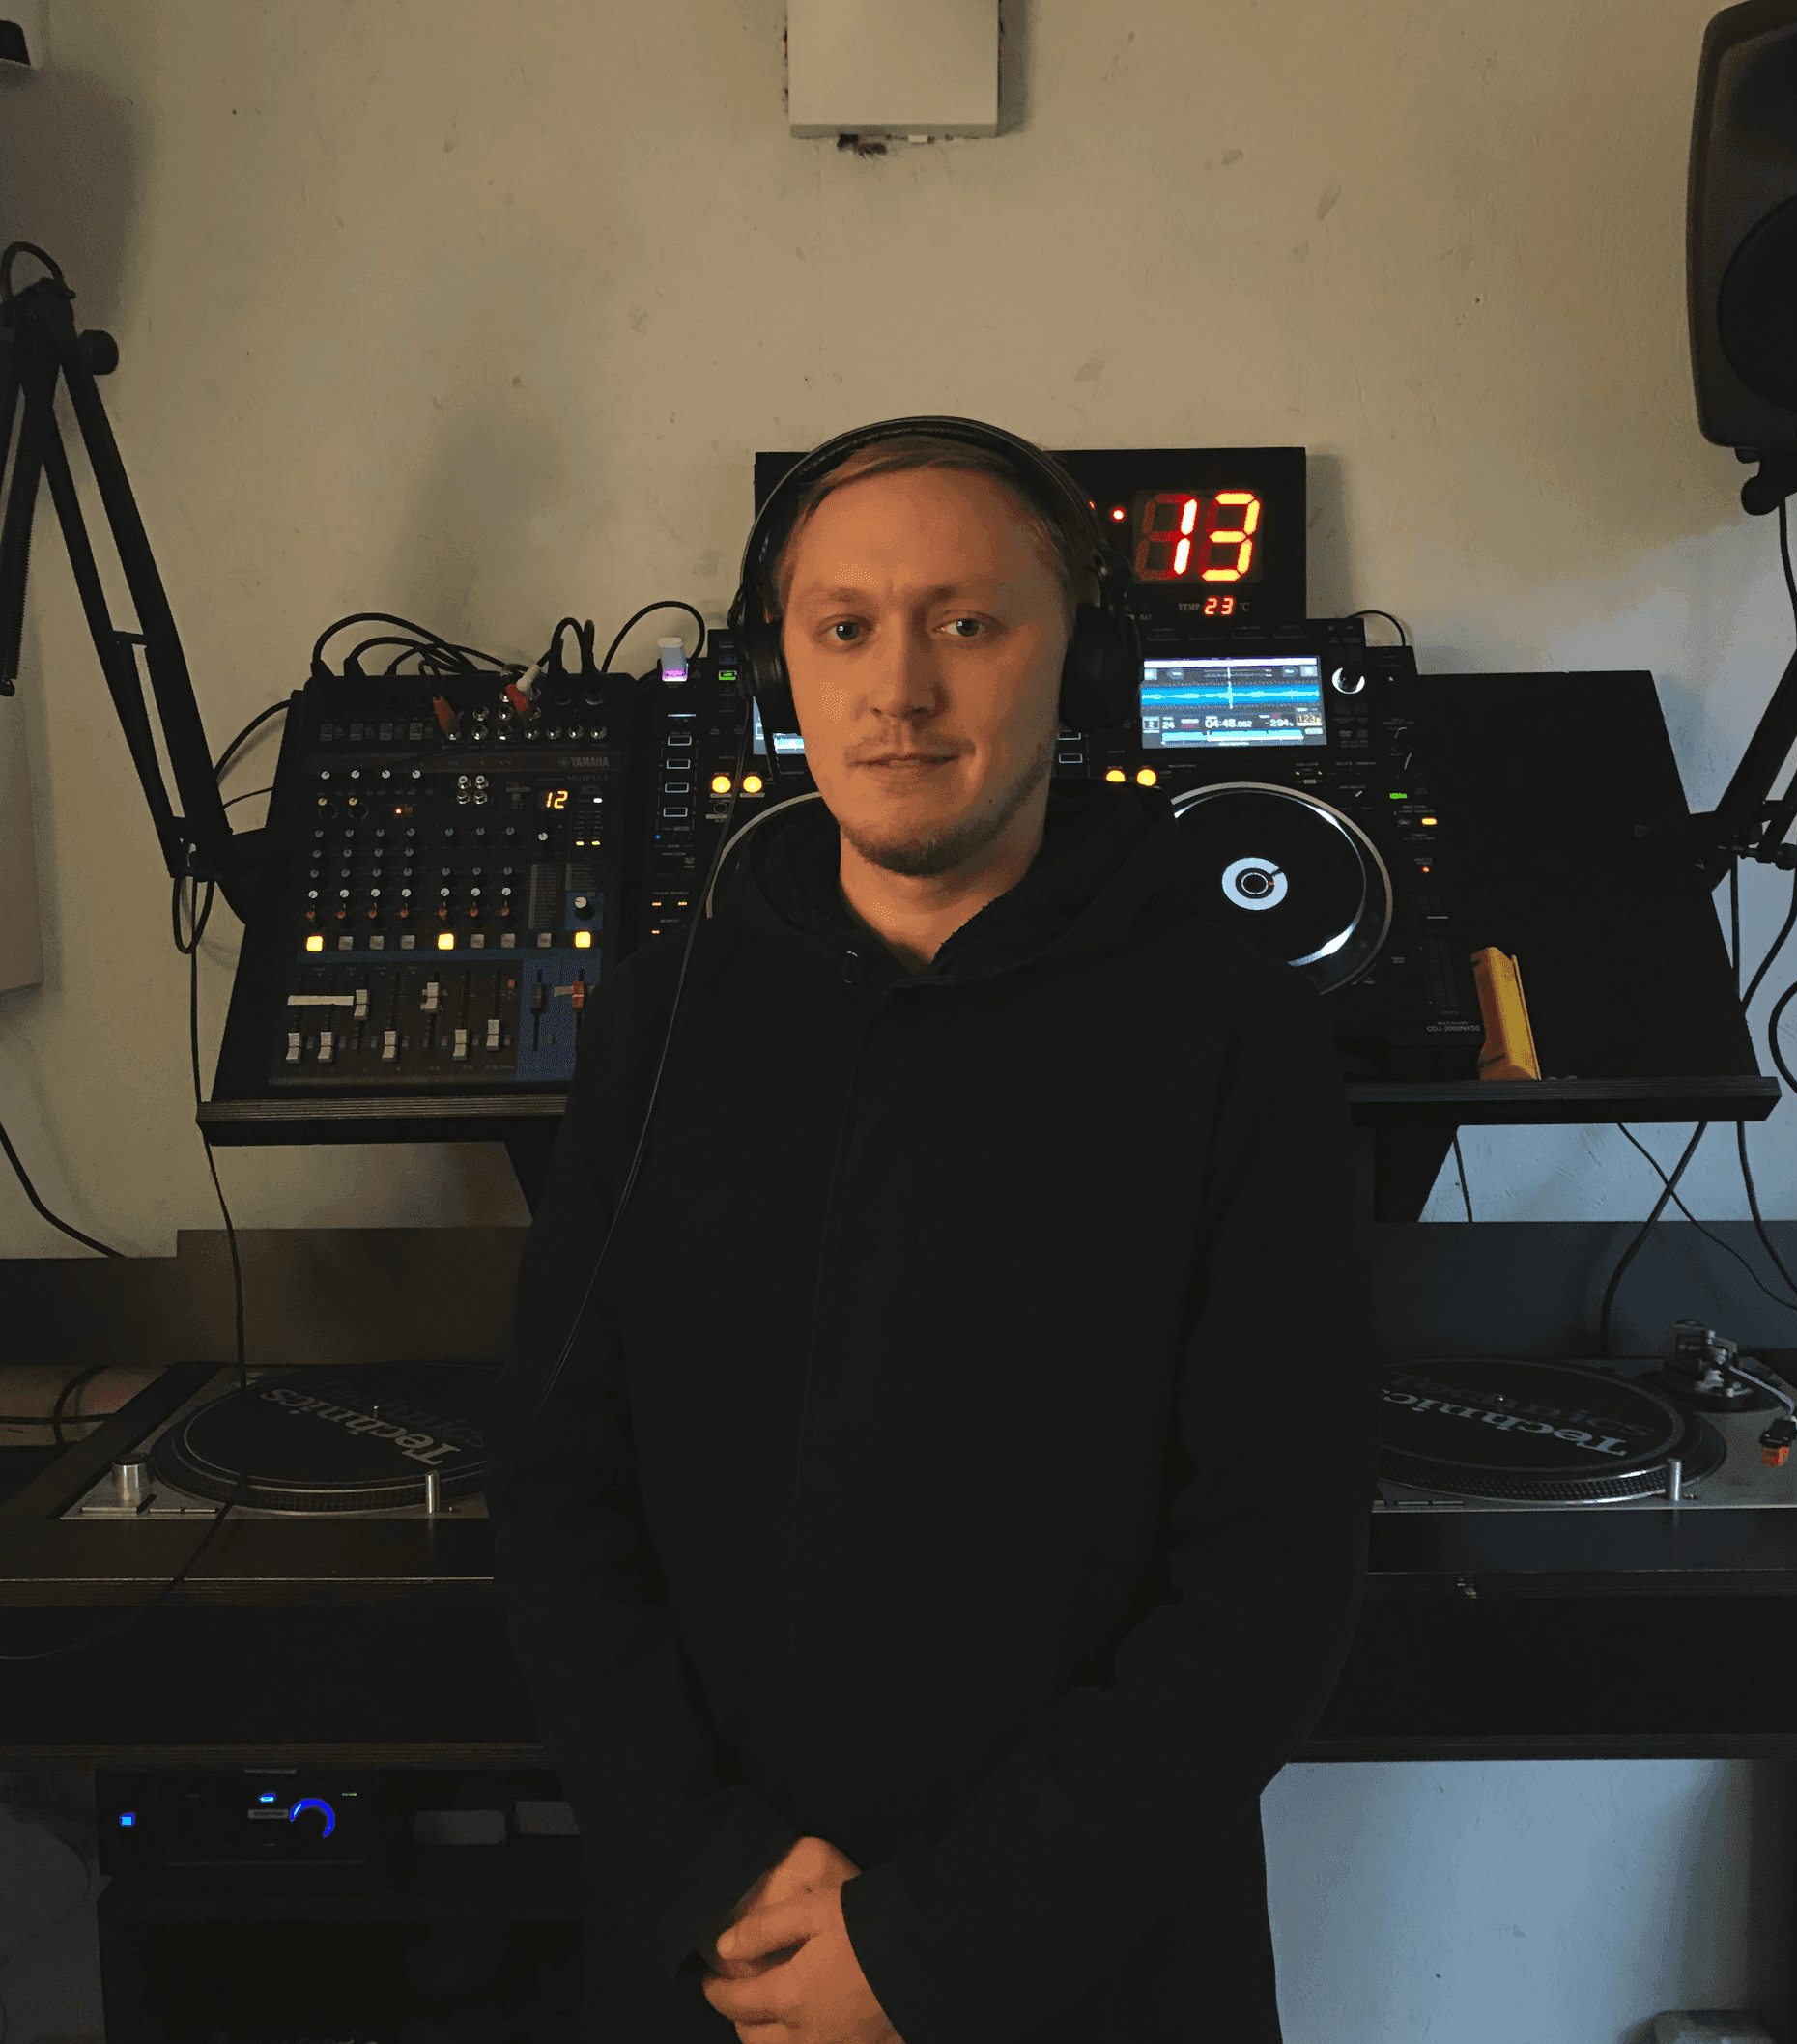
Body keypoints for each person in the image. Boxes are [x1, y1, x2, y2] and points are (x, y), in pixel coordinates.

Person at [483, 418, 1380, 2044]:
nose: (898, 690)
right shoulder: (660, 1026)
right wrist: (718, 1880)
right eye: (845, 628)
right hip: (729, 1962)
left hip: (1094, 1970)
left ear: (1079, 664)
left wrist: (929, 1948)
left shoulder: (1231, 1034)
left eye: (967, 623)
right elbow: (559, 1492)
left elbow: (1273, 1574)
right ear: (783, 669)